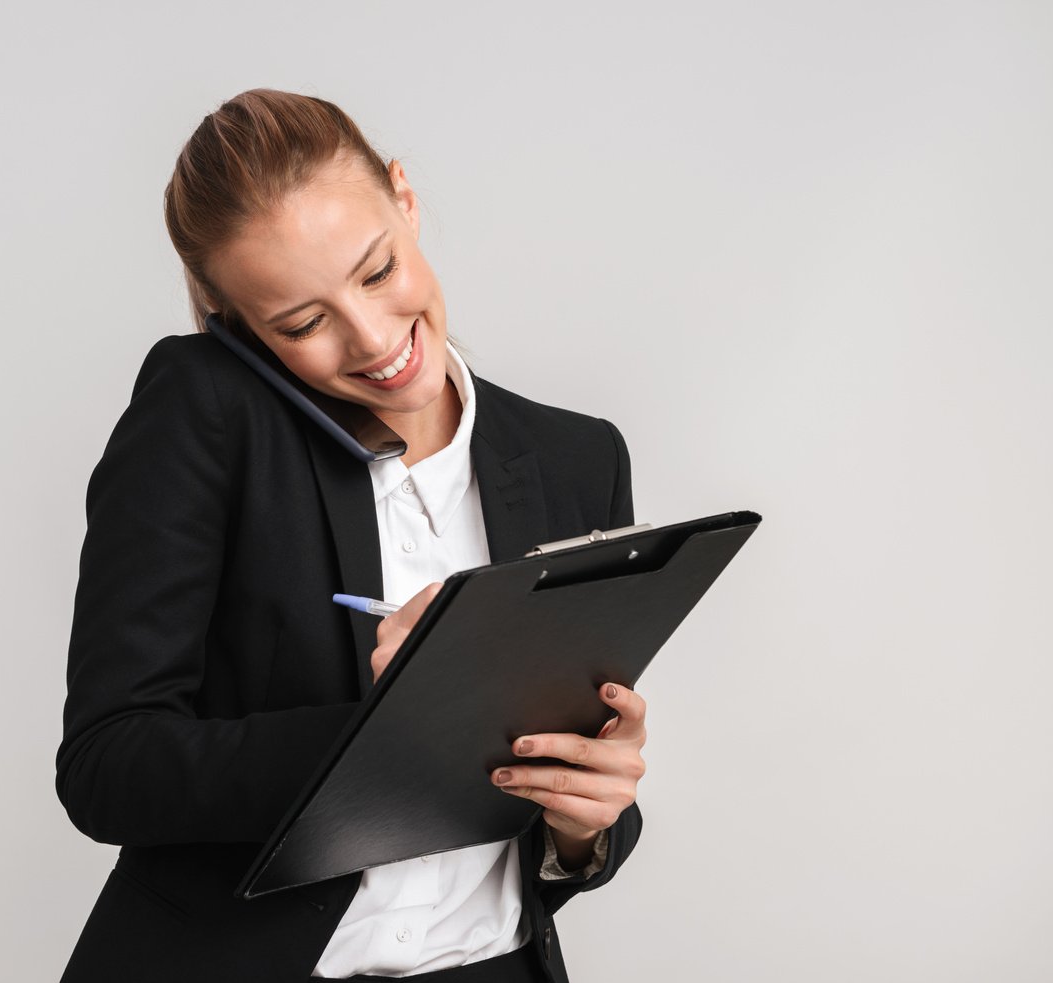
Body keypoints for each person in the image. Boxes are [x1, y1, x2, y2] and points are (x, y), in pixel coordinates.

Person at [55, 88, 649, 983]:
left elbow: (554, 806)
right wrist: (394, 731)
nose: (373, 339)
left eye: (377, 270)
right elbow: (108, 763)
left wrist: (586, 818)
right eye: (301, 322)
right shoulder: (204, 413)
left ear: (405, 199)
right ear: (236, 323)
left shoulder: (578, 457)